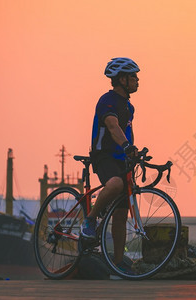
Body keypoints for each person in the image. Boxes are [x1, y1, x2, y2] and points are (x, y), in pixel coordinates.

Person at [81, 57, 140, 268]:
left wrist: (133, 152)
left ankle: (116, 265)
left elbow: (127, 133)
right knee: (115, 184)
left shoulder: (129, 106)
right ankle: (89, 220)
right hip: (104, 155)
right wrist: (126, 146)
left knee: (122, 215)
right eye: (133, 76)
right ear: (122, 79)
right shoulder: (107, 100)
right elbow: (113, 126)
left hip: (122, 159)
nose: (137, 80)